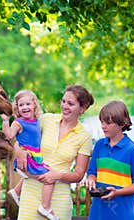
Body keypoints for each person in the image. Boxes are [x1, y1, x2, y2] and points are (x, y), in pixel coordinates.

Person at [14, 84, 94, 220]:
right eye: (63, 101)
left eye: (70, 103)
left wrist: (57, 175)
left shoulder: (84, 136)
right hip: (31, 191)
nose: (64, 106)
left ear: (82, 109)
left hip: (59, 197)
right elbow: (21, 136)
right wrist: (18, 150)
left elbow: (79, 174)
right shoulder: (46, 120)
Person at [81, 100, 134, 220]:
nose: (103, 126)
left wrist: (117, 192)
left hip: (122, 213)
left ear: (122, 123)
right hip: (98, 212)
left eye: (108, 122)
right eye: (102, 122)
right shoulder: (100, 145)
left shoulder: (132, 150)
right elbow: (92, 172)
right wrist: (90, 180)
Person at [1, 90, 59, 220]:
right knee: (49, 178)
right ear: (17, 108)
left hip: (35, 158)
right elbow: (9, 136)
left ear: (34, 105)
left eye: (28, 104)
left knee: (32, 176)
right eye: (21, 105)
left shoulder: (37, 120)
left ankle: (16, 192)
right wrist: (5, 121)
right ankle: (45, 207)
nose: (25, 107)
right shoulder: (18, 122)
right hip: (27, 159)